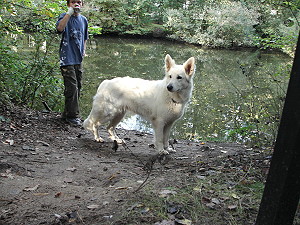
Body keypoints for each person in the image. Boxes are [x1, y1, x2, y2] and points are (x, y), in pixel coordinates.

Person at [56, 0, 88, 126]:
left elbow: (85, 37)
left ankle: (67, 113)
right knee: (72, 87)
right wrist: (69, 14)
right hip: (66, 58)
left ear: (82, 4)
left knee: (77, 86)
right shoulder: (64, 16)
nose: (77, 4)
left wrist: (83, 51)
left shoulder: (84, 19)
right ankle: (73, 117)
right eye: (73, 2)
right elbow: (59, 28)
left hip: (78, 59)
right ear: (69, 4)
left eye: (79, 2)